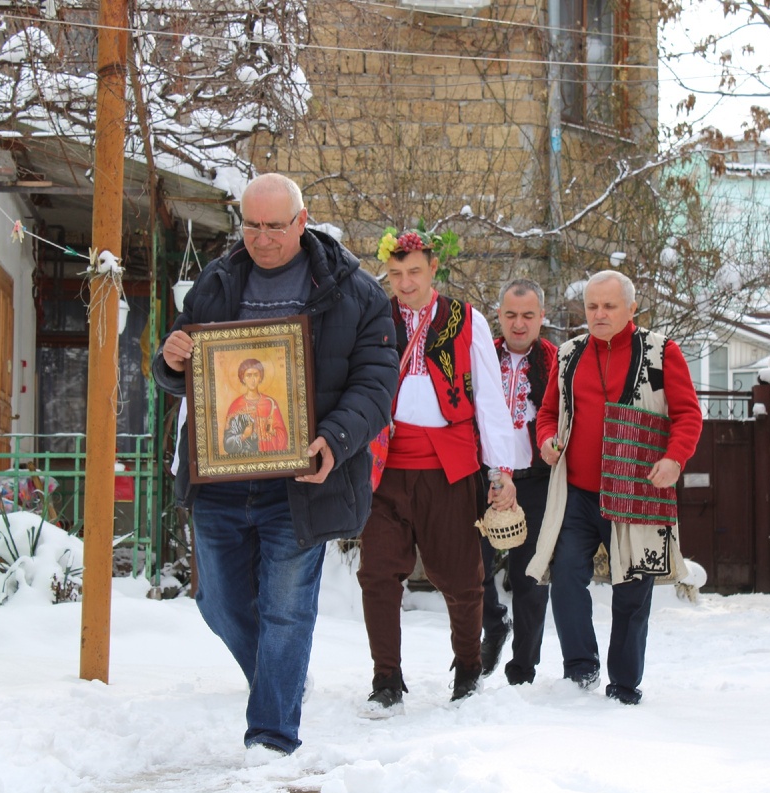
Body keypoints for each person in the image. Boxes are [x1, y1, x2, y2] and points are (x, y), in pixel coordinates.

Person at [151, 173, 398, 756]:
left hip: (300, 482)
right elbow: (182, 366)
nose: (262, 239)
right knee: (217, 602)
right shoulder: (215, 281)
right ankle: (280, 676)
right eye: (252, 226)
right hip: (219, 479)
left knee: (287, 610)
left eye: (275, 226)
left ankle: (271, 736)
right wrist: (171, 356)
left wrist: (334, 441)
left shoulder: (354, 292)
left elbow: (377, 384)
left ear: (302, 219)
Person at [358, 228, 519, 716]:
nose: (405, 283)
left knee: (460, 576)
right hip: (383, 467)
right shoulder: (373, 319)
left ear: (432, 269)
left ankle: (468, 668)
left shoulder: (465, 319)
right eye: (396, 273)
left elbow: (491, 400)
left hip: (449, 467)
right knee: (378, 573)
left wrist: (502, 470)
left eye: (415, 272)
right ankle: (386, 678)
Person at [526, 270, 703, 705]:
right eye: (592, 306)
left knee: (633, 588)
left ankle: (624, 685)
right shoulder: (568, 354)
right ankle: (580, 668)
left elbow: (688, 415)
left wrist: (674, 458)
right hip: (578, 492)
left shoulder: (663, 353)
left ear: (631, 309)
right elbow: (548, 412)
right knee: (565, 577)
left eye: (609, 306)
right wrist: (547, 440)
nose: (599, 314)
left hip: (636, 492)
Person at [478, 278, 557, 685]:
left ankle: (522, 669)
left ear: (542, 317)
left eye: (528, 315)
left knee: (530, 576)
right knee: (471, 566)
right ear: (499, 316)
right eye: (511, 315)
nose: (519, 324)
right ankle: (494, 623)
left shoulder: (558, 362)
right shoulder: (483, 358)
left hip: (534, 482)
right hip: (485, 478)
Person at [223, 358, 289, 454]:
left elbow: (283, 437)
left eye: (256, 375)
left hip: (270, 459)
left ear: (260, 377)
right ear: (243, 378)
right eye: (248, 375)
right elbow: (227, 444)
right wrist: (244, 436)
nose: (252, 380)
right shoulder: (236, 406)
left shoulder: (270, 404)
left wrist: (272, 431)